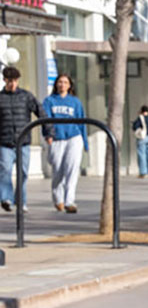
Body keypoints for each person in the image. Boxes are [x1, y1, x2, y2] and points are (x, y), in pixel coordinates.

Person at [0, 66, 43, 212]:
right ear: (5, 80)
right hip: (5, 142)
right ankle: (6, 198)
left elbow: (40, 112)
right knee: (5, 170)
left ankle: (21, 201)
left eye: (15, 81)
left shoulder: (26, 96)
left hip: (23, 142)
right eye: (9, 81)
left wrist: (48, 132)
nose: (12, 84)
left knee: (23, 173)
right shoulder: (0, 98)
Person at [44, 74, 89, 213]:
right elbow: (45, 119)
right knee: (58, 170)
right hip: (57, 139)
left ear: (69, 85)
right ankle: (58, 199)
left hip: (74, 138)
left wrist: (85, 143)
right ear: (56, 84)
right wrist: (48, 135)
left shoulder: (75, 102)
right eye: (60, 82)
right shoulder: (49, 101)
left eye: (65, 82)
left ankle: (70, 200)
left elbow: (82, 122)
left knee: (72, 169)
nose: (62, 85)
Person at [132, 105, 148, 179]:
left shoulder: (140, 118)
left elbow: (135, 126)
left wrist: (139, 115)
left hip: (143, 137)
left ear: (142, 111)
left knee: (142, 155)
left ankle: (143, 172)